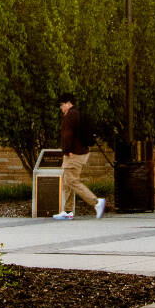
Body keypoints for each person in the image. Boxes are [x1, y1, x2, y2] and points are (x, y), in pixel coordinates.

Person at [53, 93, 105, 221]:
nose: (61, 108)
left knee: (72, 181)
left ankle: (96, 202)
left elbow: (67, 135)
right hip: (77, 152)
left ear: (68, 103)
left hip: (74, 154)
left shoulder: (70, 116)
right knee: (66, 181)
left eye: (61, 105)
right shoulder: (77, 113)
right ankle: (68, 211)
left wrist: (67, 150)